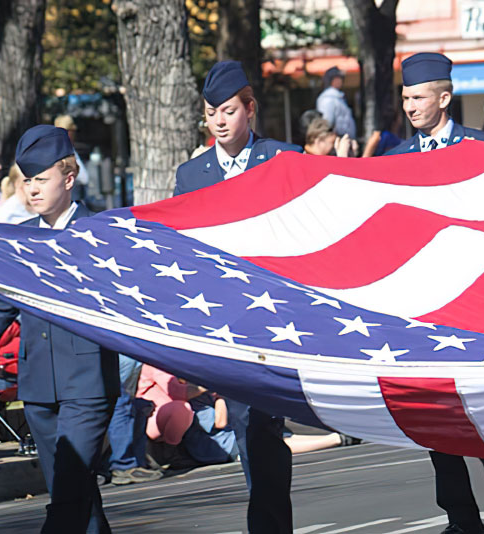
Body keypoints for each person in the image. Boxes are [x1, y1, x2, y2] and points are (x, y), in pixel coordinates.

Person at [0, 124, 120, 534]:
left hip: (88, 382)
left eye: (41, 180)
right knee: (78, 497)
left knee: (67, 491)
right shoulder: (21, 239)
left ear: (68, 176)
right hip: (39, 385)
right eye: (26, 181)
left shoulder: (99, 233)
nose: (32, 190)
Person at [385, 53, 484, 534]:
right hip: (423, 310)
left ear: (444, 98)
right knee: (435, 419)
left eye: (419, 97)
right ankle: (461, 517)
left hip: (479, 304)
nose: (410, 106)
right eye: (405, 98)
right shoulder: (395, 161)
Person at [175, 60, 302, 534]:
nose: (220, 121)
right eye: (212, 113)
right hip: (228, 321)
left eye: (229, 110)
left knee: (266, 430)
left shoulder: (283, 158)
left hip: (280, 315)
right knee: (249, 428)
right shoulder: (192, 175)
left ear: (249, 109)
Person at [106, 354, 164, 485]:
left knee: (129, 404)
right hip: (120, 348)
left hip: (124, 351)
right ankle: (125, 466)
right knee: (121, 404)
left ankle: (134, 462)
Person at [315, 66, 356, 139]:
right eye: (337, 78)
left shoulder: (338, 97)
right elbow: (327, 123)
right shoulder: (328, 98)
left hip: (344, 140)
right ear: (331, 80)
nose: (340, 81)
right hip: (336, 142)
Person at [54, 115, 90, 193]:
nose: (74, 135)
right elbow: (84, 178)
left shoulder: (69, 150)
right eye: (72, 131)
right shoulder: (61, 153)